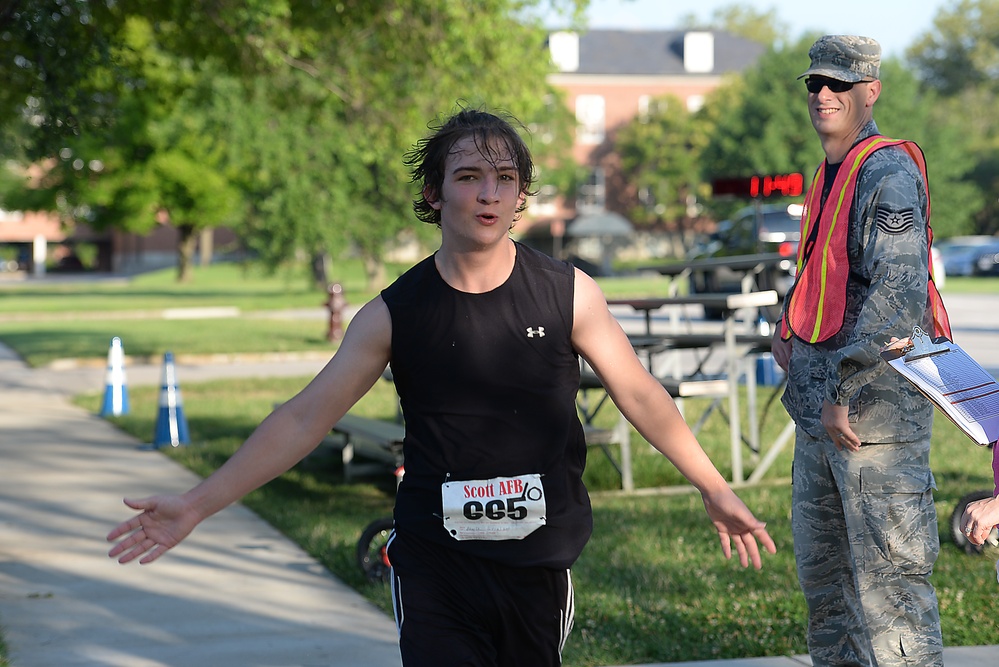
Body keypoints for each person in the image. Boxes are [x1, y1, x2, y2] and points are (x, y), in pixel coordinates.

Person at [107, 106, 776, 665]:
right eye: (468, 176)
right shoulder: (395, 313)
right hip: (434, 559)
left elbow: (639, 393)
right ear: (434, 193)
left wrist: (712, 485)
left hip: (538, 561)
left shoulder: (568, 294)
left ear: (520, 197)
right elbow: (304, 416)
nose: (488, 193)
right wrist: (199, 501)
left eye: (504, 178)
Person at [772, 36, 951, 666]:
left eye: (839, 85)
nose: (824, 95)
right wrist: (786, 323)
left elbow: (897, 298)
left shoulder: (887, 170)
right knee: (830, 594)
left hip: (869, 421)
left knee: (890, 597)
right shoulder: (830, 172)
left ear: (869, 91)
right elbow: (830, 274)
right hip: (824, 419)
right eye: (815, 84)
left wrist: (842, 391)